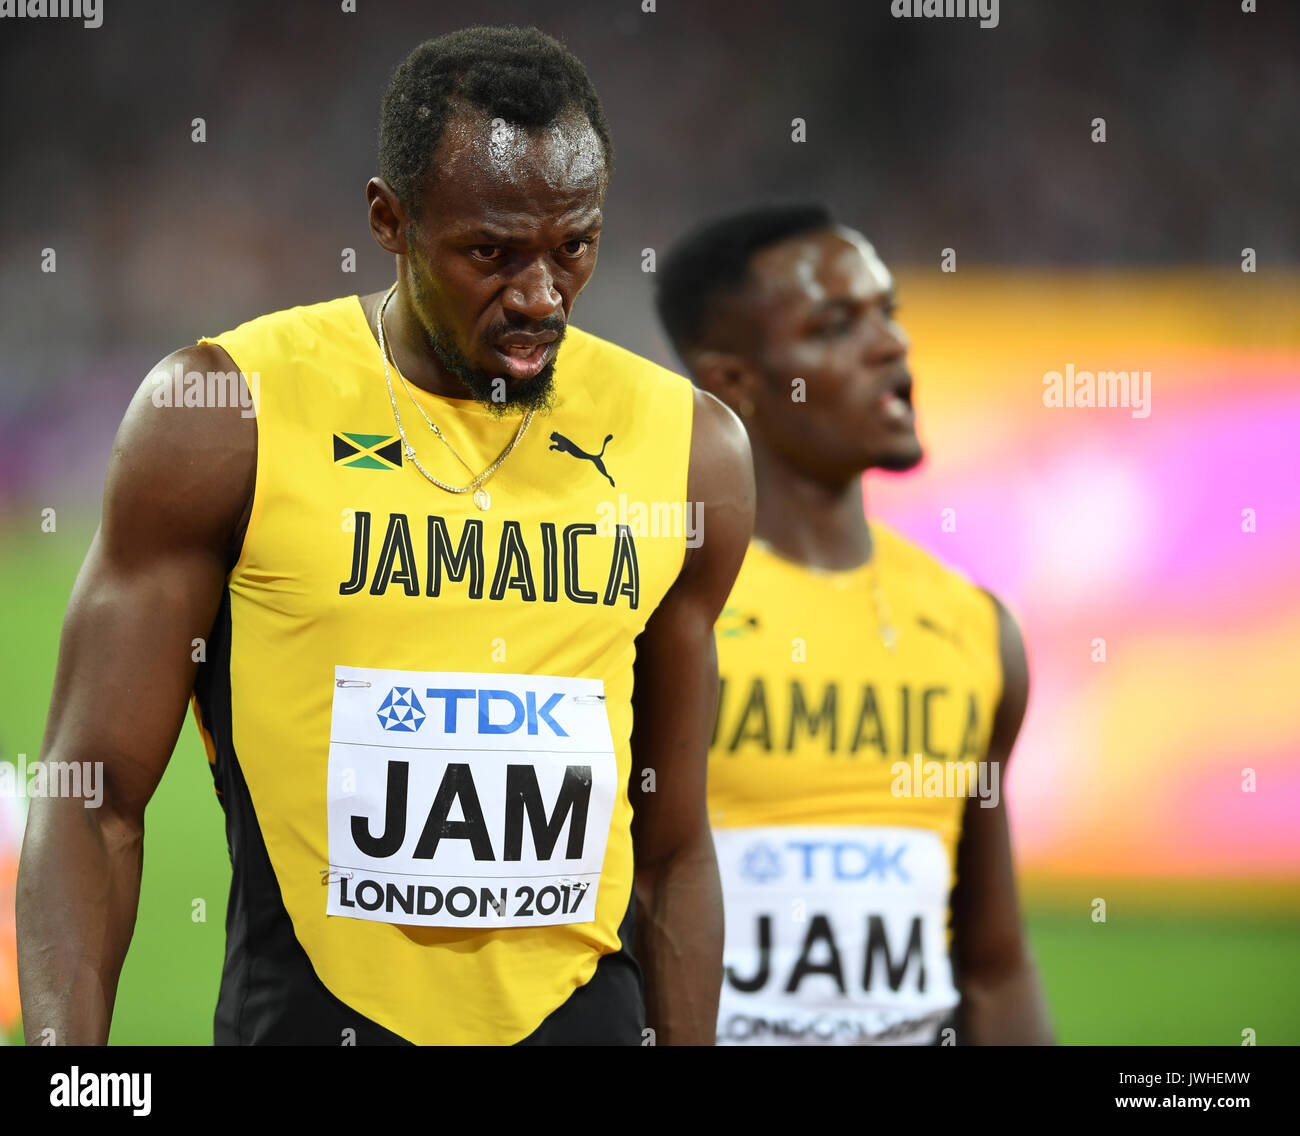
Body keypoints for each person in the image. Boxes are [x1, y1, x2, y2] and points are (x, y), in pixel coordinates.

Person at [17, 25, 753, 1047]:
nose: (540, 294)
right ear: (390, 220)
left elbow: (675, 846)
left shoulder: (689, 452)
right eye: (491, 252)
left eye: (573, 244)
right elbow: (91, 797)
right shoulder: (225, 414)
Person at [655, 203, 1053, 1045]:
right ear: (734, 383)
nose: (890, 345)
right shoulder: (661, 608)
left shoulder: (973, 627)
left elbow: (992, 964)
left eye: (888, 312)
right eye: (836, 325)